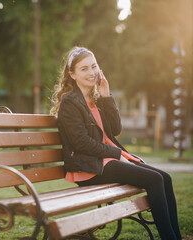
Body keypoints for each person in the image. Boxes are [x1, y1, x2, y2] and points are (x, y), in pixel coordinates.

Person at [50, 46, 182, 240]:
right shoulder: (70, 102)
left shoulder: (96, 99)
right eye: (84, 69)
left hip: (104, 161)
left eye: (94, 66)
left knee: (165, 178)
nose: (91, 73)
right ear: (72, 75)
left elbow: (116, 130)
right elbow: (81, 143)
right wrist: (116, 154)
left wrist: (106, 96)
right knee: (154, 180)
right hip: (88, 167)